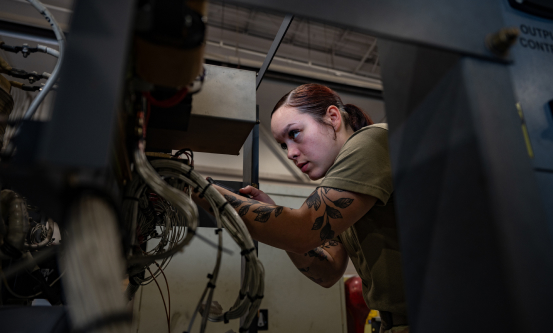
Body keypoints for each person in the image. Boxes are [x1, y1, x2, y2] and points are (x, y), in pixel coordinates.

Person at [195, 83, 408, 333]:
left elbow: (303, 230)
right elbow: (327, 271)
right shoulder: (345, 189)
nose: (290, 154)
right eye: (283, 145)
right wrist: (276, 222)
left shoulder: (371, 141)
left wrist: (195, 186)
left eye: (294, 133)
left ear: (333, 117)